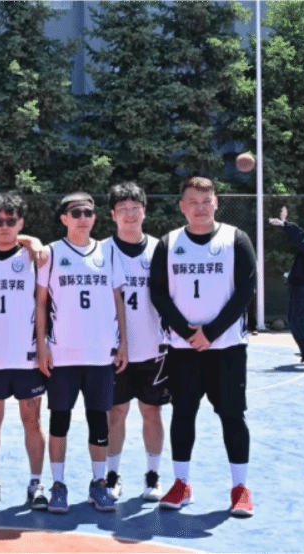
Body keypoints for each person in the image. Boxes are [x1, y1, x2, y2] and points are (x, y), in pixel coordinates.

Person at [150, 176, 256, 517]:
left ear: (216, 203)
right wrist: (186, 332)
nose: (199, 208)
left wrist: (210, 332)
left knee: (232, 415)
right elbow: (158, 293)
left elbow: (245, 291)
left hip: (226, 347)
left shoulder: (236, 239)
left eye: (206, 201)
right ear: (182, 206)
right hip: (182, 349)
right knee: (183, 414)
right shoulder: (168, 243)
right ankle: (182, 484)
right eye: (192, 202)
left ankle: (240, 488)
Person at [35, 192, 128, 514]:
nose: (83, 218)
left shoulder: (108, 252)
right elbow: (41, 302)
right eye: (76, 213)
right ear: (64, 218)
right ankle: (58, 484)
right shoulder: (51, 253)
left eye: (88, 212)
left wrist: (124, 342)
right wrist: (42, 345)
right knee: (59, 420)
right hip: (63, 354)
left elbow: (118, 300)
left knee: (98, 421)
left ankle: (98, 483)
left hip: (100, 353)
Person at [0, 193, 48, 510]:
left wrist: (33, 241)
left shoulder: (33, 256)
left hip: (26, 355)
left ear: (21, 223)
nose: (5, 226)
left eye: (11, 220)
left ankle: (36, 483)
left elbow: (43, 303)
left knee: (33, 421)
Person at [104, 183, 170, 503]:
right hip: (114, 350)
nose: (129, 214)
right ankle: (112, 475)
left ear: (144, 210)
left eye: (135, 208)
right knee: (116, 413)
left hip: (153, 346)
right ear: (112, 214)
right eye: (122, 209)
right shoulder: (102, 251)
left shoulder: (160, 249)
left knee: (152, 412)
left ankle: (152, 474)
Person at [269, 206, 304, 365]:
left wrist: (284, 223)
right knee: (293, 319)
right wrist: (284, 222)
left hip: (302, 288)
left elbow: (299, 236)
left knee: (299, 319)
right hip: (297, 286)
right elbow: (300, 235)